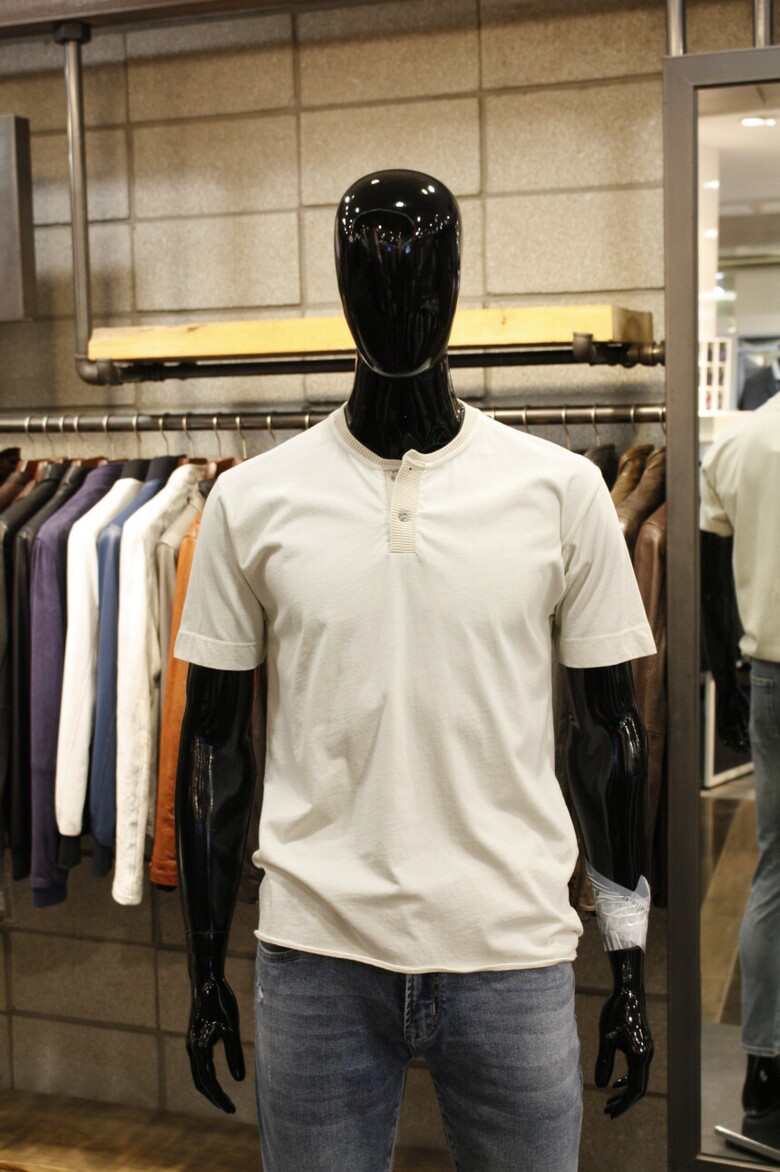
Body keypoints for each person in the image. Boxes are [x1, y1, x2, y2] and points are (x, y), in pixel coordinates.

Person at [174, 169, 656, 1172]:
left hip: (511, 949)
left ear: (458, 283)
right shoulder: (250, 501)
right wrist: (203, 966)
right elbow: (213, 743)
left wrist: (629, 959)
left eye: (427, 273)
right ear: (340, 289)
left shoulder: (561, 491)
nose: (402, 299)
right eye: (372, 273)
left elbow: (609, 737)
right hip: (317, 954)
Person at [701, 398, 780, 1150]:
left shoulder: (740, 441)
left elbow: (712, 570)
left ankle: (766, 1076)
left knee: (774, 872)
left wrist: (726, 670)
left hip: (769, 674)